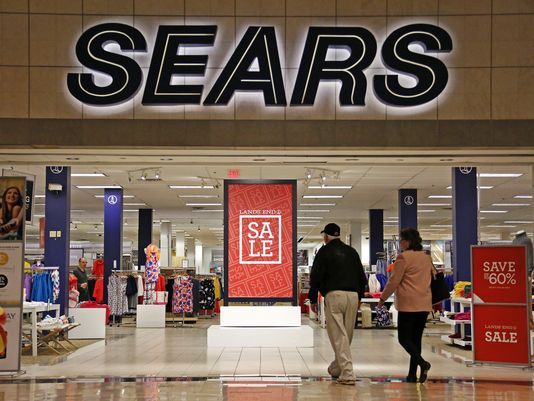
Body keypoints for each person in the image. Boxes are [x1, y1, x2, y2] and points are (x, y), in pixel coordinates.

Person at [309, 223, 367, 385]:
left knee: (338, 335)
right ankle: (336, 368)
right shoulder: (352, 252)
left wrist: (313, 298)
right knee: (346, 334)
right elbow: (361, 277)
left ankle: (347, 373)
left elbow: (316, 277)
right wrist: (360, 297)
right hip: (353, 295)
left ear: (326, 236)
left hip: (334, 295)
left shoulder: (324, 252)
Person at [378, 228, 432, 383]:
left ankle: (423, 363)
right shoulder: (426, 257)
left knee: (403, 339)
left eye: (401, 240)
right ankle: (412, 374)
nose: (400, 243)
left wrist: (382, 298)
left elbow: (393, 281)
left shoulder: (403, 257)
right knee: (416, 339)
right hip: (424, 303)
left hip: (408, 304)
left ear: (407, 242)